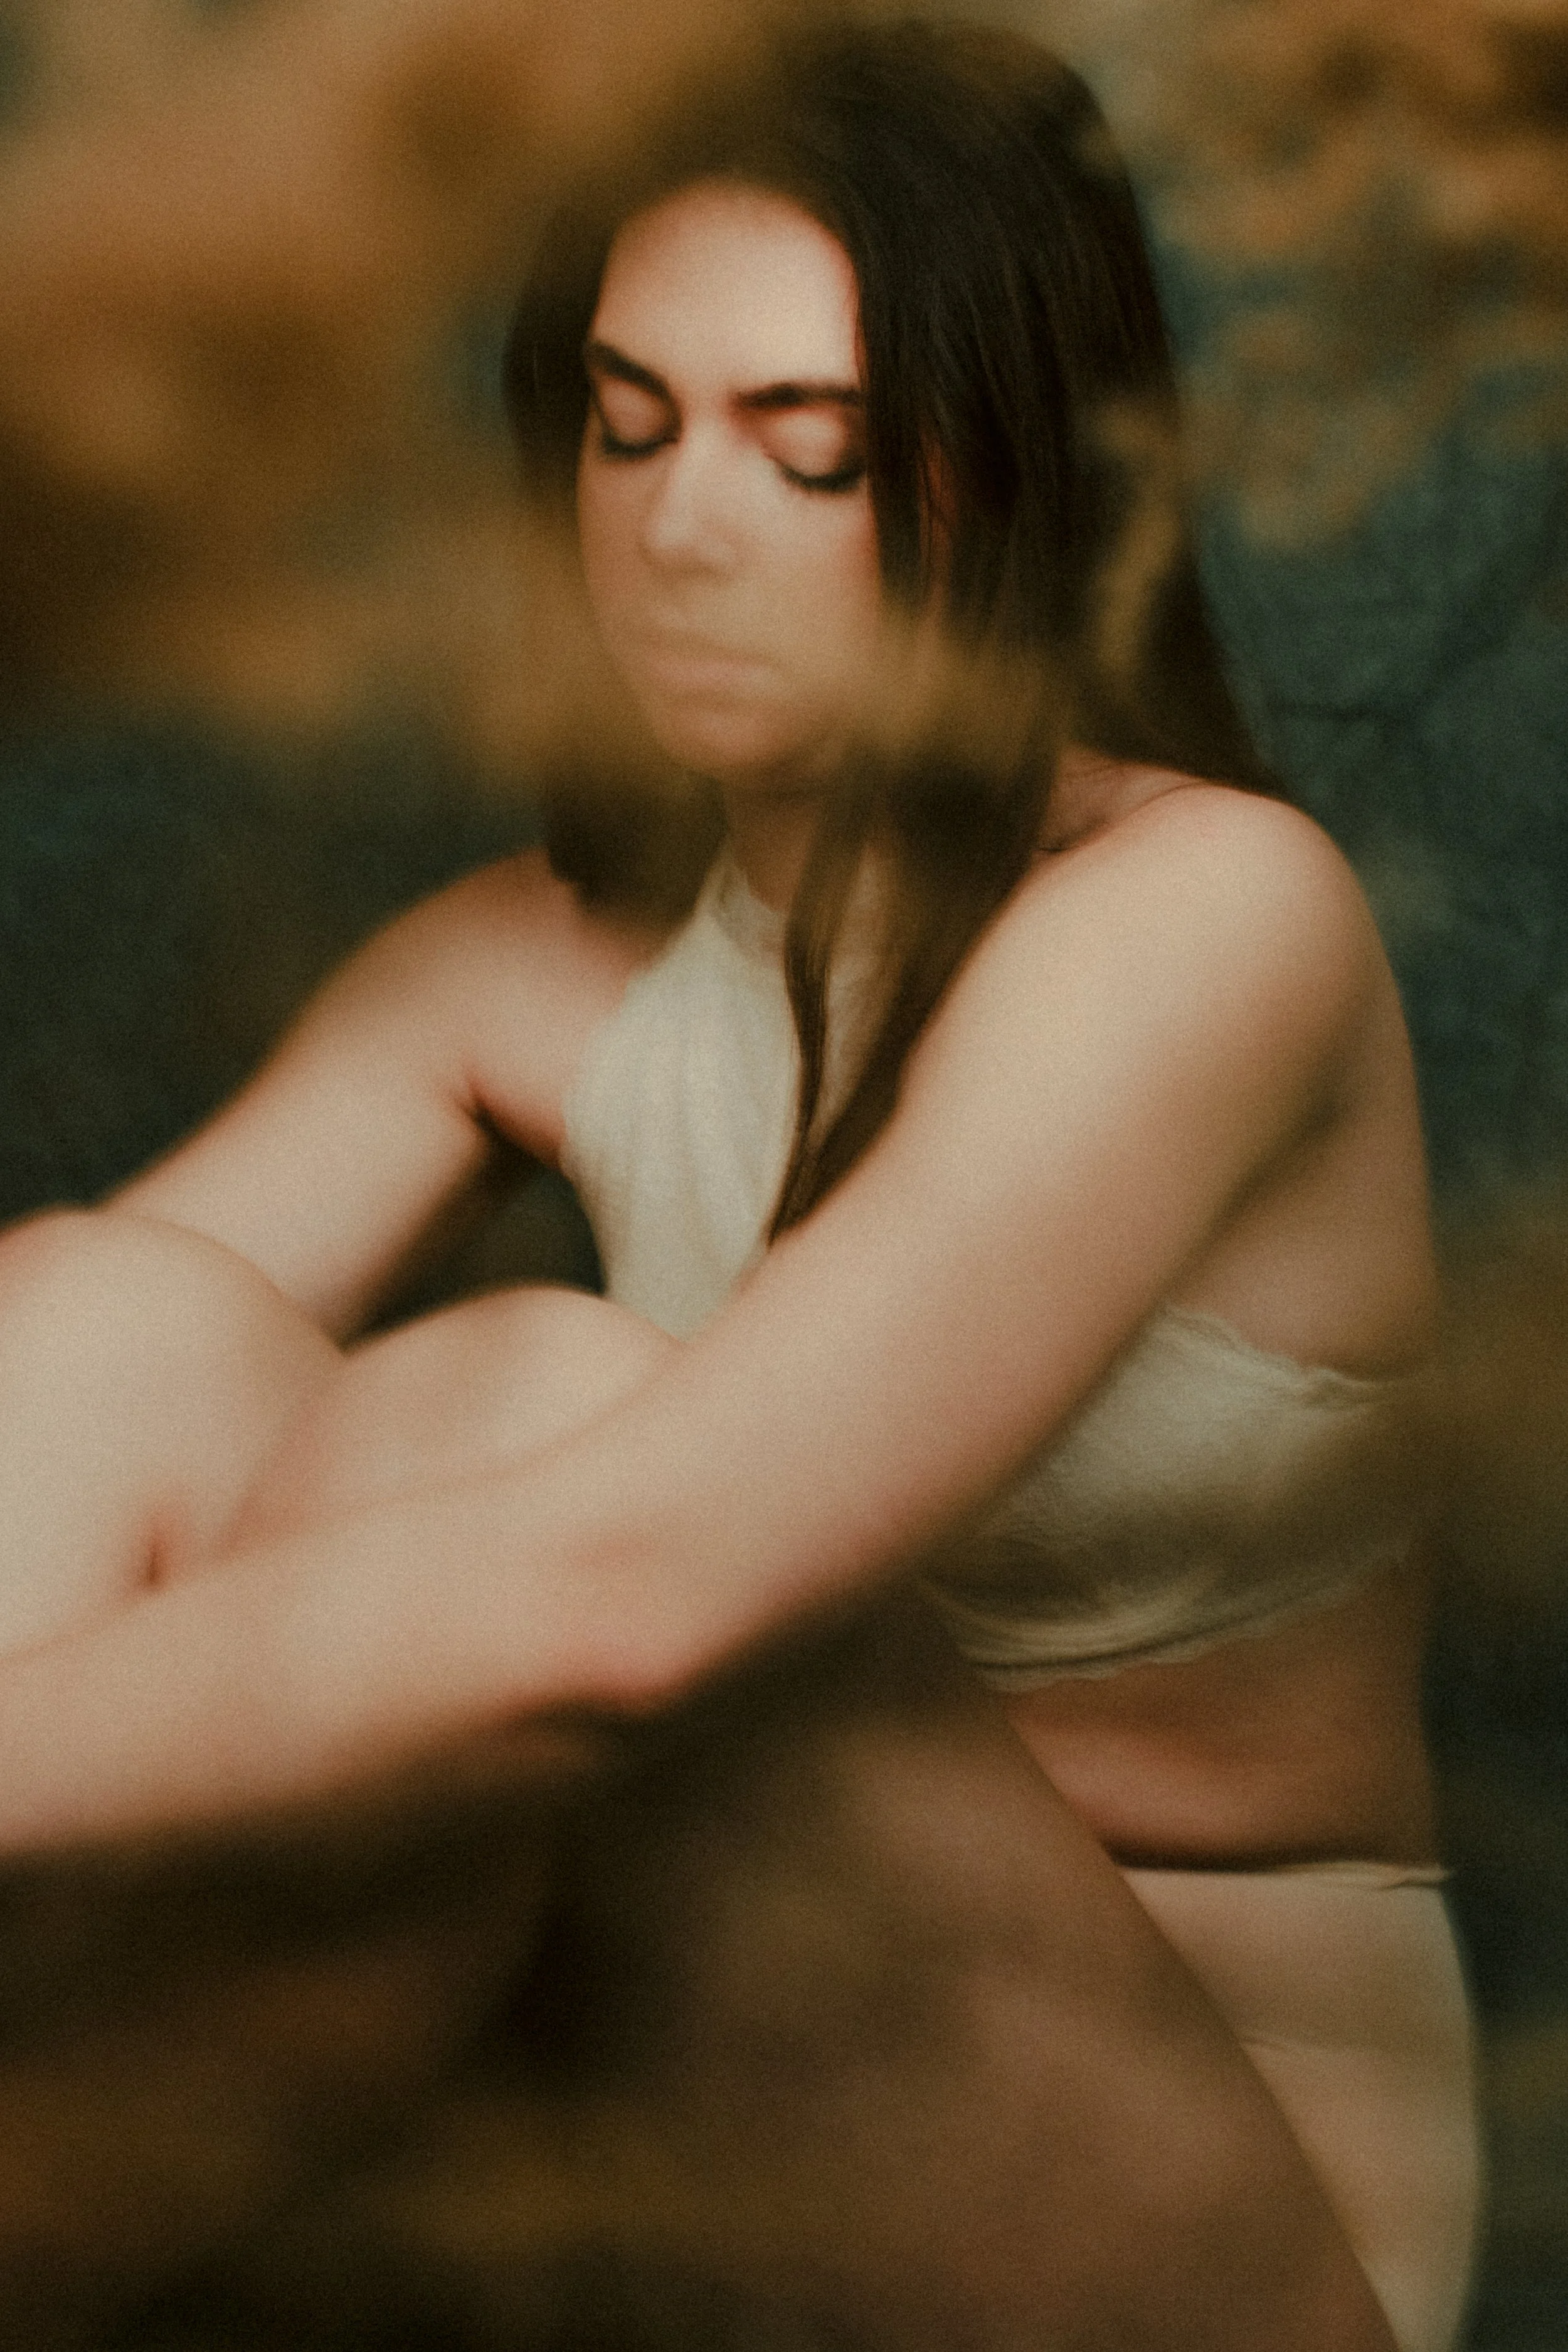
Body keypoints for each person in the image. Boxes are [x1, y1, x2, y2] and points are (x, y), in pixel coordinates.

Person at [0, 22, 1474, 2350]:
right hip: (634, 2139)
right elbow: (56, 1399)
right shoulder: (518, 959)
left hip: (1188, 2210)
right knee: (108, 1310)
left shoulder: (1207, 921)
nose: (680, 525)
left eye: (810, 451)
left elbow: (629, 1588)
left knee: (506, 1419)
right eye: (627, 422)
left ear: (1010, 481)